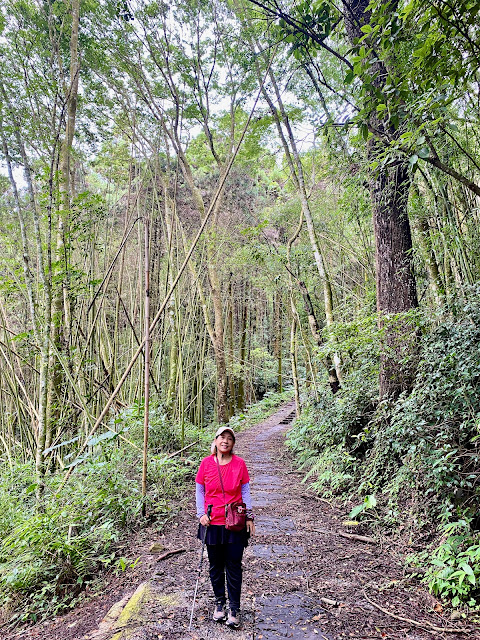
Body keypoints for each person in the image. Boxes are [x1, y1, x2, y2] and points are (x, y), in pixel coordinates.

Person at [195, 426, 255, 628]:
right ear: (216, 441)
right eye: (222, 437)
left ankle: (235, 607)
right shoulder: (205, 464)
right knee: (215, 566)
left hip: (234, 523)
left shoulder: (239, 464)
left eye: (230, 438)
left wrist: (249, 516)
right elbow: (200, 491)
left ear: (233, 443)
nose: (226, 441)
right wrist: (201, 514)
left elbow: (245, 492)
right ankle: (219, 603)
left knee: (234, 565)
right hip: (212, 522)